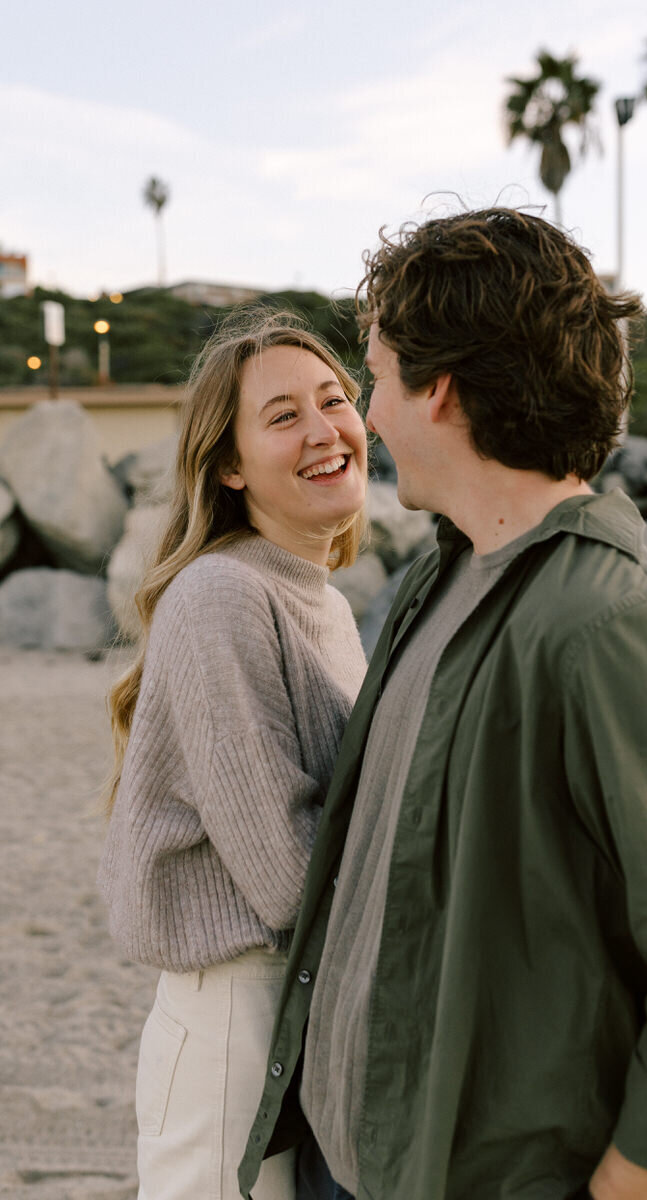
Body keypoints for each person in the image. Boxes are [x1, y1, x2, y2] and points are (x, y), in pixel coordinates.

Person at [239, 209, 647, 1200]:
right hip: (352, 1163)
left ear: (439, 389)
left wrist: (617, 1191)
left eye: (375, 376)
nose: (366, 418)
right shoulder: (435, 580)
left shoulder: (611, 622)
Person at [97, 308, 369, 1200]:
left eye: (335, 400)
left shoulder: (321, 599)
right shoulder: (221, 595)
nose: (325, 431)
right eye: (283, 416)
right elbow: (288, 874)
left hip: (300, 1004)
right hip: (233, 1017)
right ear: (229, 464)